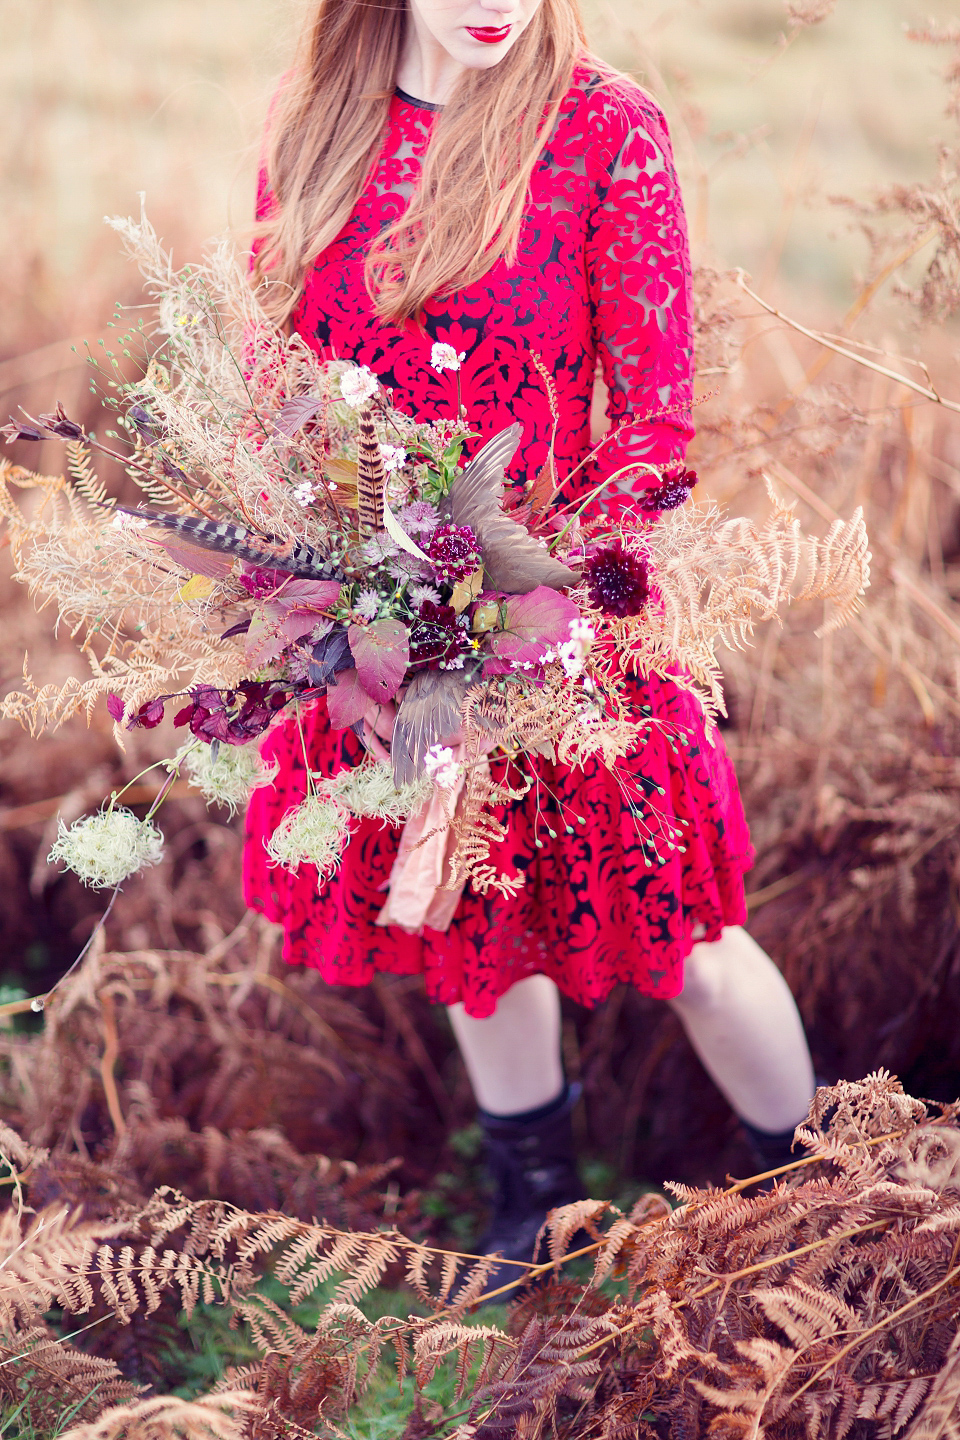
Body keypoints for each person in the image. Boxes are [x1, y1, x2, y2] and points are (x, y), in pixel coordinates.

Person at [243, 0, 816, 1267]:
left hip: (571, 631)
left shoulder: (603, 130)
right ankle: (531, 1210)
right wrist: (327, 605)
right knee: (473, 929)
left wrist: (541, 605)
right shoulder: (320, 121)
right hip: (386, 635)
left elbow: (654, 426)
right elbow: (272, 390)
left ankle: (827, 1189)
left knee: (695, 943)